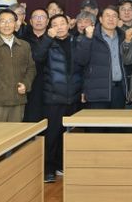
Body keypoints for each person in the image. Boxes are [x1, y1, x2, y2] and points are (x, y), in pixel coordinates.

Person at [34, 14, 92, 183]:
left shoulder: (77, 42)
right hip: (53, 96)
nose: (59, 27)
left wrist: (83, 90)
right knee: (51, 135)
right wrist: (47, 39)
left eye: (62, 23)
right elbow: (37, 57)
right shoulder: (47, 42)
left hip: (73, 96)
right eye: (55, 24)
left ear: (69, 25)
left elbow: (84, 66)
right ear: (50, 27)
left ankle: (61, 164)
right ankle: (48, 168)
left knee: (66, 135)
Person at [81, 5, 127, 110]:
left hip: (118, 91)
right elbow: (81, 60)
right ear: (101, 19)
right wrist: (87, 39)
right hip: (97, 92)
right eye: (107, 16)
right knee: (97, 121)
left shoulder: (123, 37)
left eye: (114, 16)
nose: (111, 19)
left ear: (118, 20)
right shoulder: (91, 36)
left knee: (118, 119)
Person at [20, 8, 49, 122]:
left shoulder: (54, 38)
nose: (39, 20)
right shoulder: (22, 40)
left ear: (48, 21)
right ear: (31, 21)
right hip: (30, 85)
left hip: (49, 85)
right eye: (35, 17)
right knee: (31, 119)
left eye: (42, 17)